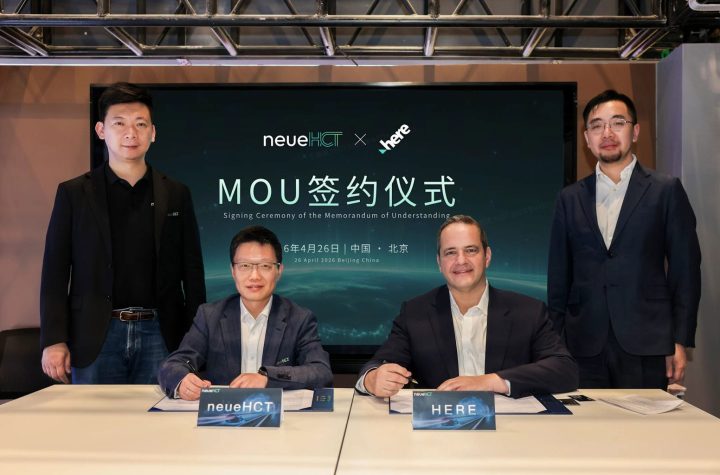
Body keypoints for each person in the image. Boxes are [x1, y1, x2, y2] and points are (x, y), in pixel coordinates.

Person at [40, 82, 206, 384]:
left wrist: (197, 340)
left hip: (161, 333)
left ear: (153, 133)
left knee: (161, 414)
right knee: (95, 415)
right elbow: (55, 271)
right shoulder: (74, 194)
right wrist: (54, 339)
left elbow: (192, 273)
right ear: (101, 130)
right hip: (95, 334)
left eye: (140, 124)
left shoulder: (176, 193)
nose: (131, 133)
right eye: (119, 123)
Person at [547, 89, 701, 389]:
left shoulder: (665, 190)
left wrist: (679, 339)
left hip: (648, 343)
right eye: (596, 126)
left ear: (635, 131)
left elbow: (685, 271)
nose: (607, 133)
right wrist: (554, 346)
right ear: (587, 138)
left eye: (618, 123)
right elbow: (558, 278)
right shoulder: (569, 198)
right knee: (585, 421)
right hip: (582, 344)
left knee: (644, 422)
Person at [357, 215, 578, 398]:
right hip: (439, 429)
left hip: (511, 429)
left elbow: (564, 370)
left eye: (471, 250)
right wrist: (372, 379)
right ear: (439, 263)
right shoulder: (415, 313)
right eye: (450, 252)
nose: (461, 260)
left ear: (487, 256)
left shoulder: (528, 311)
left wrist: (491, 382)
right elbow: (377, 365)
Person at [158, 225, 332, 399]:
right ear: (233, 271)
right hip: (223, 412)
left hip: (277, 413)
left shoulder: (299, 318)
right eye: (245, 266)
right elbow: (173, 364)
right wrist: (182, 381)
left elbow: (321, 372)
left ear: (279, 271)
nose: (254, 276)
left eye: (265, 266)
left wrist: (268, 378)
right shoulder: (209, 316)